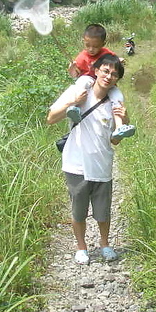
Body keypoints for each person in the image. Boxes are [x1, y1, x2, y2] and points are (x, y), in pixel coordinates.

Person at [47, 54, 129, 265]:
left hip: (103, 163)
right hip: (76, 163)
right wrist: (74, 103)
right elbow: (51, 118)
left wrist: (124, 120)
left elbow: (115, 141)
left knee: (103, 212)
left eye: (114, 74)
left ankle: (105, 244)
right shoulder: (79, 90)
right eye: (105, 71)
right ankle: (81, 247)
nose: (109, 76)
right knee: (79, 211)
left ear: (117, 79)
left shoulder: (114, 101)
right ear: (96, 71)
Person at [66, 23, 135, 140]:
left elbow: (114, 62)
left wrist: (119, 61)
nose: (91, 49)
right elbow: (74, 75)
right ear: (83, 41)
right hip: (89, 80)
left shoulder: (107, 54)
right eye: (88, 45)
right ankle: (75, 109)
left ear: (103, 44)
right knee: (81, 82)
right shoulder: (82, 57)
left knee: (117, 97)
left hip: (107, 84)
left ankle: (119, 126)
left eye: (95, 46)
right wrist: (71, 68)